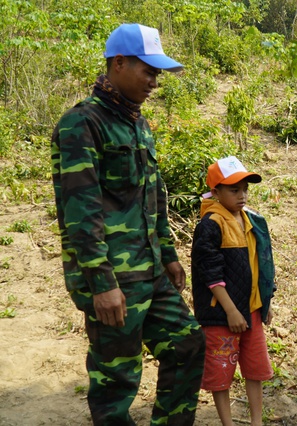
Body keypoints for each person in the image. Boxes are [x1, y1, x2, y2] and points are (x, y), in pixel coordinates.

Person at [51, 23, 205, 425]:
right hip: (114, 278)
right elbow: (81, 212)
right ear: (118, 63)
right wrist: (102, 285)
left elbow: (153, 198)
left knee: (187, 344)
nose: (155, 81)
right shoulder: (81, 124)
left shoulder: (138, 124)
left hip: (151, 269)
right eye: (148, 71)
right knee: (116, 380)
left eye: (157, 74)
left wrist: (169, 255)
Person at [191, 156, 276, 426]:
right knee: (221, 372)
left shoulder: (252, 221)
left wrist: (266, 301)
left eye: (245, 189)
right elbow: (210, 273)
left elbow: (262, 264)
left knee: (255, 368)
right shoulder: (211, 225)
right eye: (234, 190)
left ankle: (257, 421)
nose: (242, 196)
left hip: (250, 310)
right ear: (215, 192)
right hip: (222, 315)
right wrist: (230, 311)